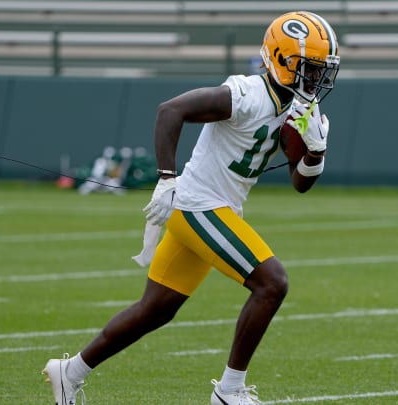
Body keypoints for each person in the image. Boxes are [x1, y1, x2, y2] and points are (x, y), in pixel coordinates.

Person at [42, 10, 340, 405]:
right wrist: (166, 178)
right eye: (311, 69)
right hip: (198, 206)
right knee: (272, 283)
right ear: (282, 60)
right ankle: (229, 391)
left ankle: (70, 372)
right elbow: (170, 110)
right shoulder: (246, 94)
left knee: (155, 310)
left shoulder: (298, 109)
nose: (317, 80)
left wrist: (315, 152)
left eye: (322, 71)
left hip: (217, 210)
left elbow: (300, 183)